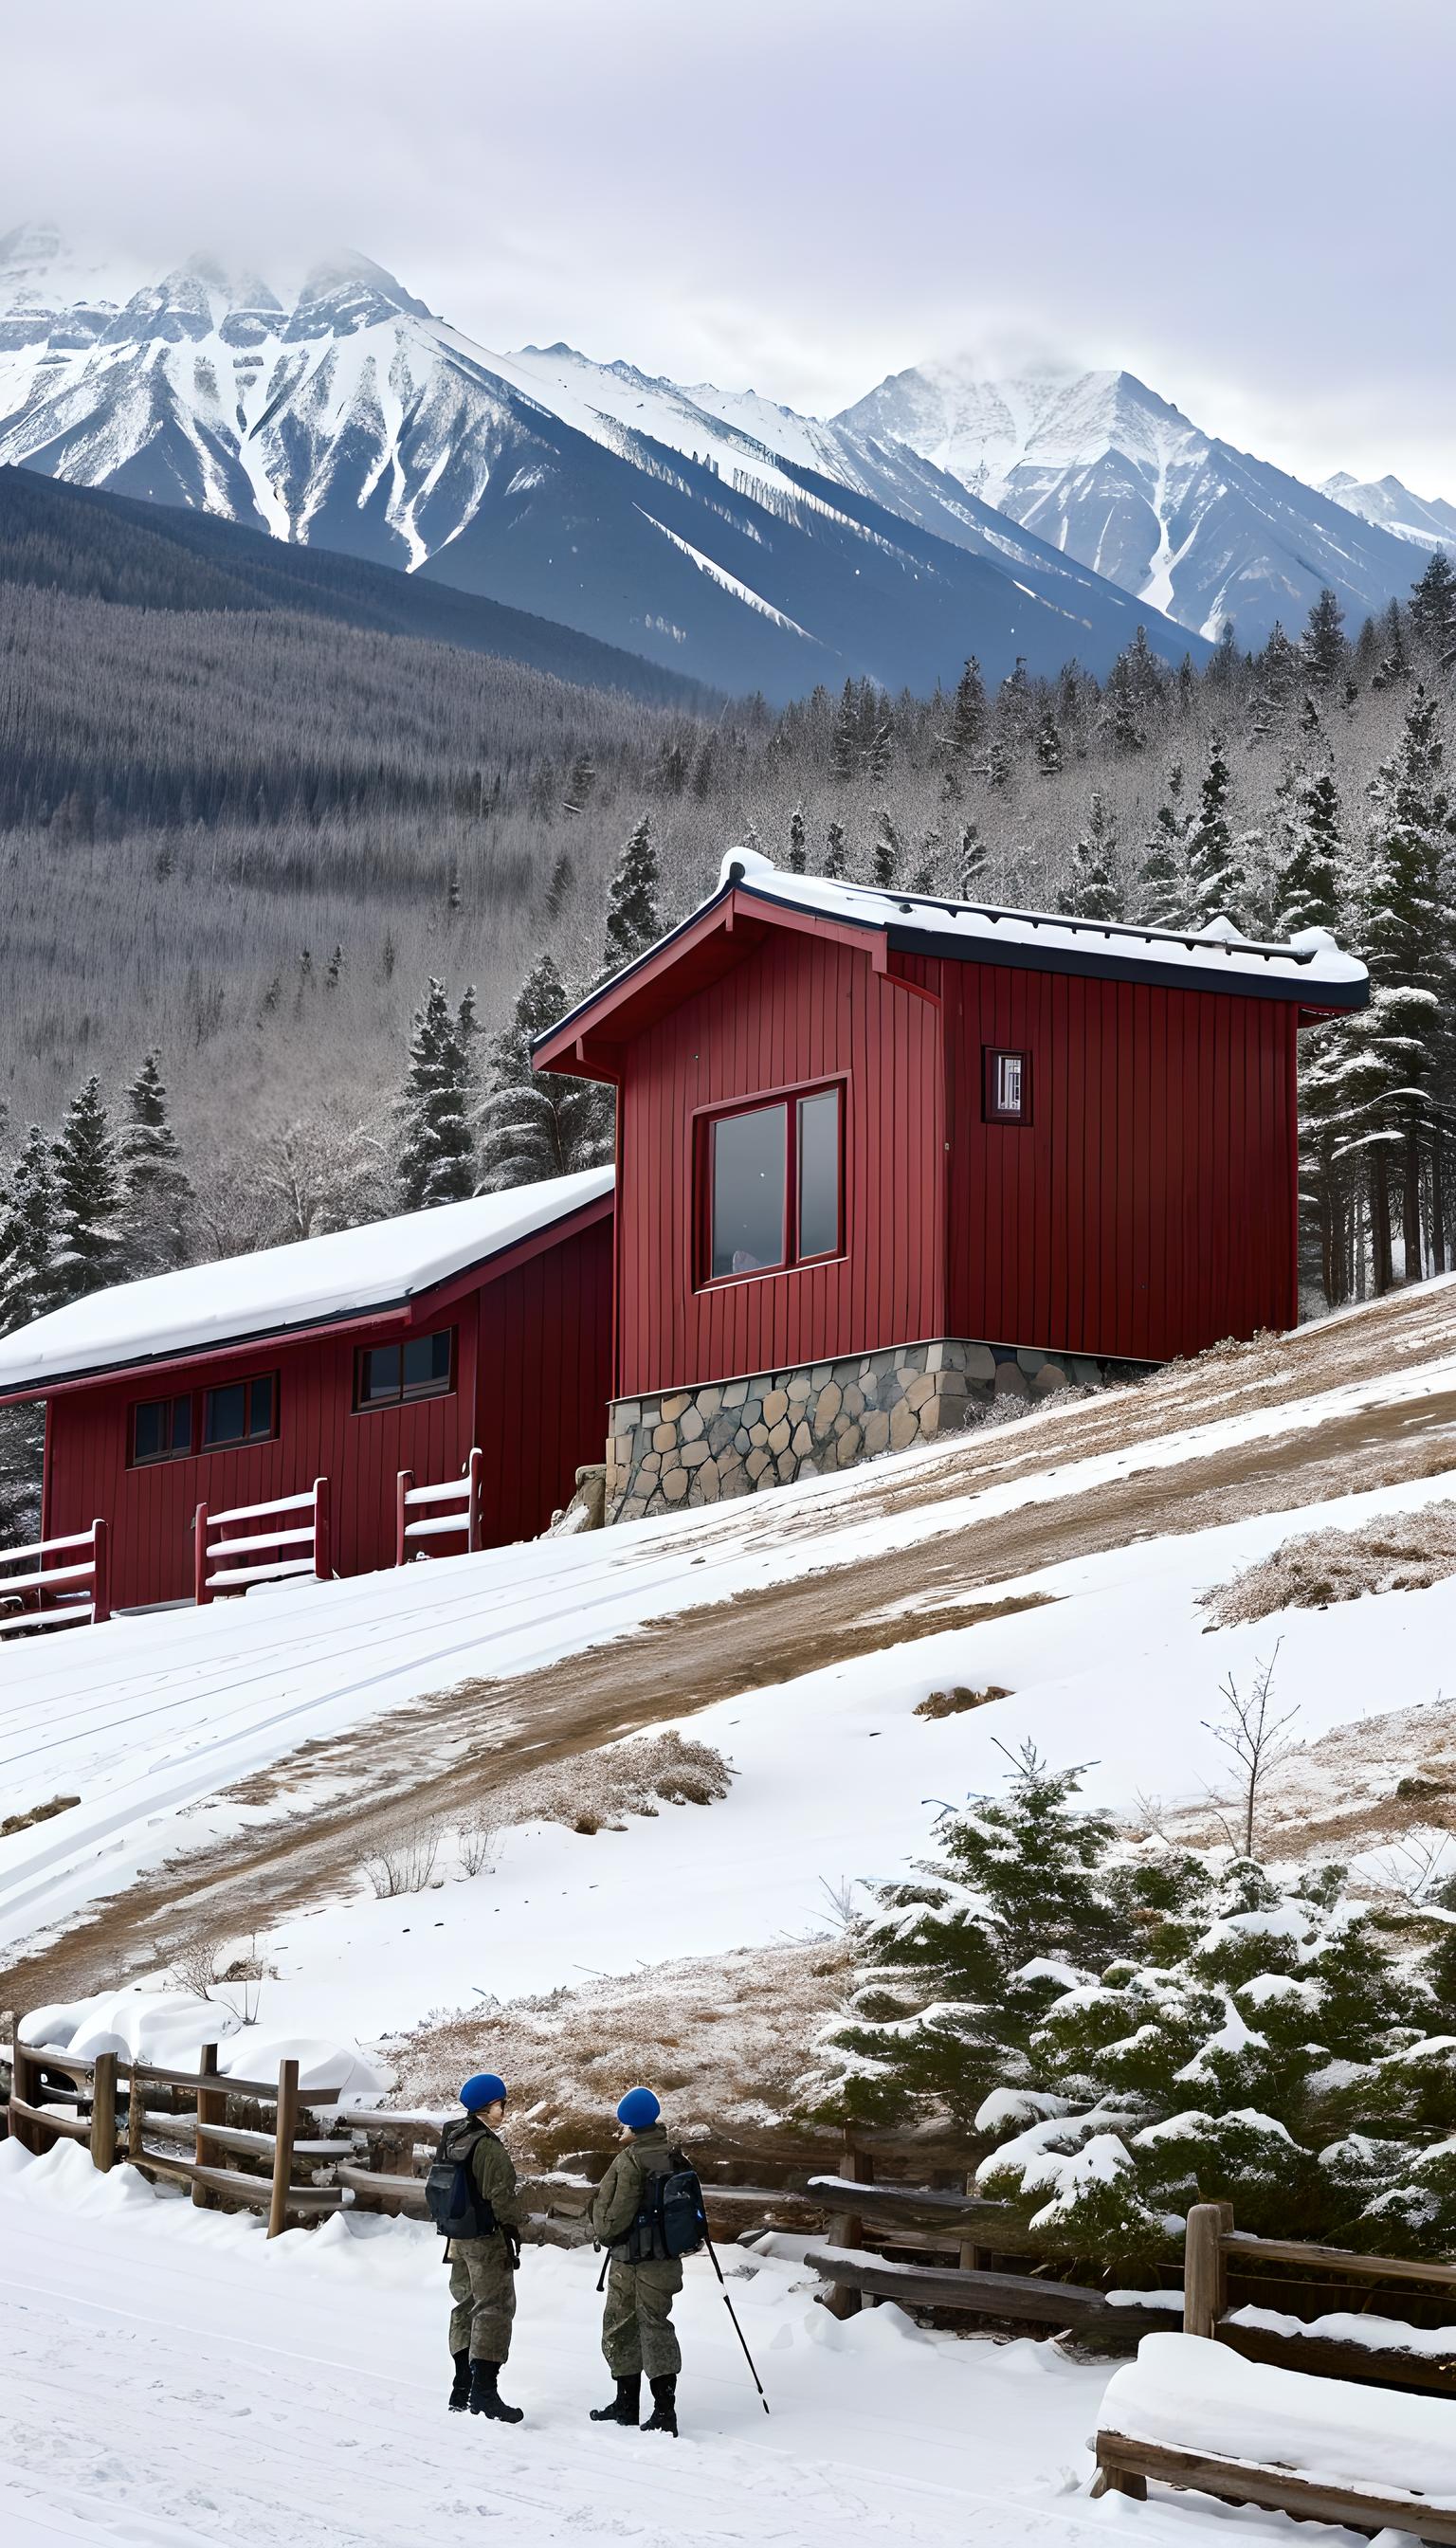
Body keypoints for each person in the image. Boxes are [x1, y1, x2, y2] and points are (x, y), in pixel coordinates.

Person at [589, 2085, 682, 2436]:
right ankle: (663, 2409)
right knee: (656, 2326)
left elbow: (614, 2219)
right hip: (666, 2261)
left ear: (630, 2125)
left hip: (631, 2262)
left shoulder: (629, 2160)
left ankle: (628, 2404)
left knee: (620, 2326)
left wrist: (598, 2223)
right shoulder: (674, 2156)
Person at [439, 2071, 527, 2421]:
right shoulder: (487, 2146)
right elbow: (501, 2197)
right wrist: (514, 2228)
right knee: (494, 2308)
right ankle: (484, 2394)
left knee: (465, 2304)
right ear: (491, 2105)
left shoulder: (452, 2135)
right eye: (501, 2103)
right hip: (486, 2238)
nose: (503, 2109)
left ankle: (461, 2388)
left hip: (456, 2237)